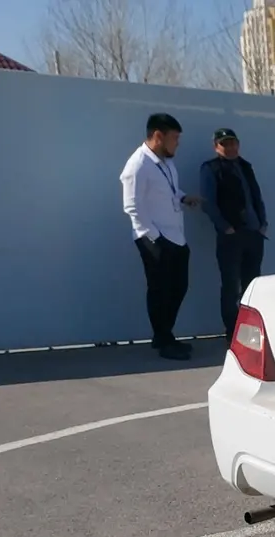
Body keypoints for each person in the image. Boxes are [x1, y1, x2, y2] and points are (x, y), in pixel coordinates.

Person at [120, 112, 201, 361]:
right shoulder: (138, 165)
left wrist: (183, 197)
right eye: (174, 138)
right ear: (158, 136)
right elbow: (132, 206)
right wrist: (156, 238)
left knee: (179, 287)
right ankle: (164, 340)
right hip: (154, 239)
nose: (177, 143)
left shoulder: (165, 162)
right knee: (161, 290)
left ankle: (164, 334)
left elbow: (168, 191)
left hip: (175, 236)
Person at [199, 127, 269, 344]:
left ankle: (251, 332)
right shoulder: (211, 168)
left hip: (254, 234)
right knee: (231, 286)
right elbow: (208, 203)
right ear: (216, 147)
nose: (230, 147)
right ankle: (233, 332)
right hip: (231, 237)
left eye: (233, 143)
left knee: (252, 285)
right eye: (224, 144)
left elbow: (256, 196)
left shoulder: (245, 166)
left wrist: (262, 224)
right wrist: (225, 227)